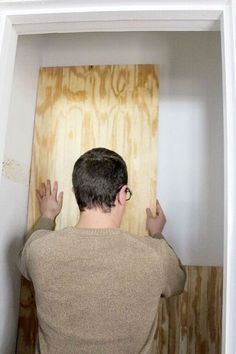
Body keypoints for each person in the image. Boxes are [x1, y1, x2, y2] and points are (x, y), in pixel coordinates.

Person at [18, 147, 186, 354]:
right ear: (122, 195)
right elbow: (178, 282)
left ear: (75, 193)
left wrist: (47, 215)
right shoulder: (156, 255)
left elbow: (24, 259)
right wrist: (157, 234)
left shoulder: (39, 249)